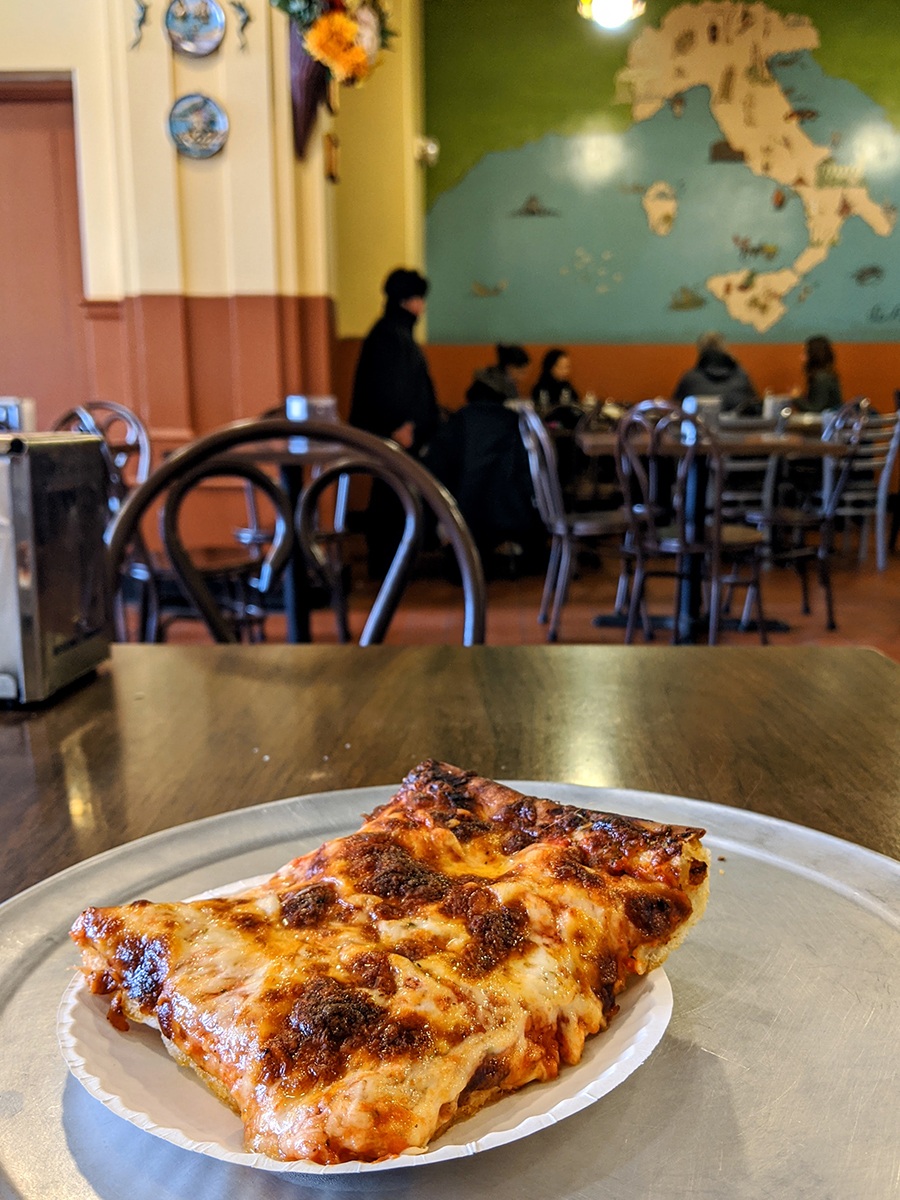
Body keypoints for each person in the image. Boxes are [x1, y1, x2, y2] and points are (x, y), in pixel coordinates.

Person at [349, 267, 440, 575]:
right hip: (397, 432)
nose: (423, 306)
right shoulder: (391, 336)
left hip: (397, 430)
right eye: (420, 299)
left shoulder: (389, 331)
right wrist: (400, 426)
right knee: (391, 494)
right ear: (408, 301)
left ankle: (392, 560)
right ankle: (388, 561)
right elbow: (391, 389)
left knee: (392, 492)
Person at [424, 350, 536, 572]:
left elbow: (434, 467)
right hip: (511, 510)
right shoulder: (514, 424)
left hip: (461, 511)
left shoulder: (460, 424)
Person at [673, 332, 759, 414]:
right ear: (725, 348)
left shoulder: (689, 378)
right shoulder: (742, 376)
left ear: (700, 350)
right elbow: (754, 405)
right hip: (738, 428)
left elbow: (676, 408)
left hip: (701, 428)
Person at [532, 348, 580, 422]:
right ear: (551, 367)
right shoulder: (541, 388)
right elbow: (543, 413)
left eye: (567, 367)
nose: (566, 371)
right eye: (562, 367)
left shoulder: (566, 386)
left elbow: (576, 405)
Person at [797, 335, 842, 413]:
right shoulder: (826, 375)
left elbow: (816, 409)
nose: (801, 357)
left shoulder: (821, 378)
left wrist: (796, 398)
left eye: (805, 353)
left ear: (814, 356)